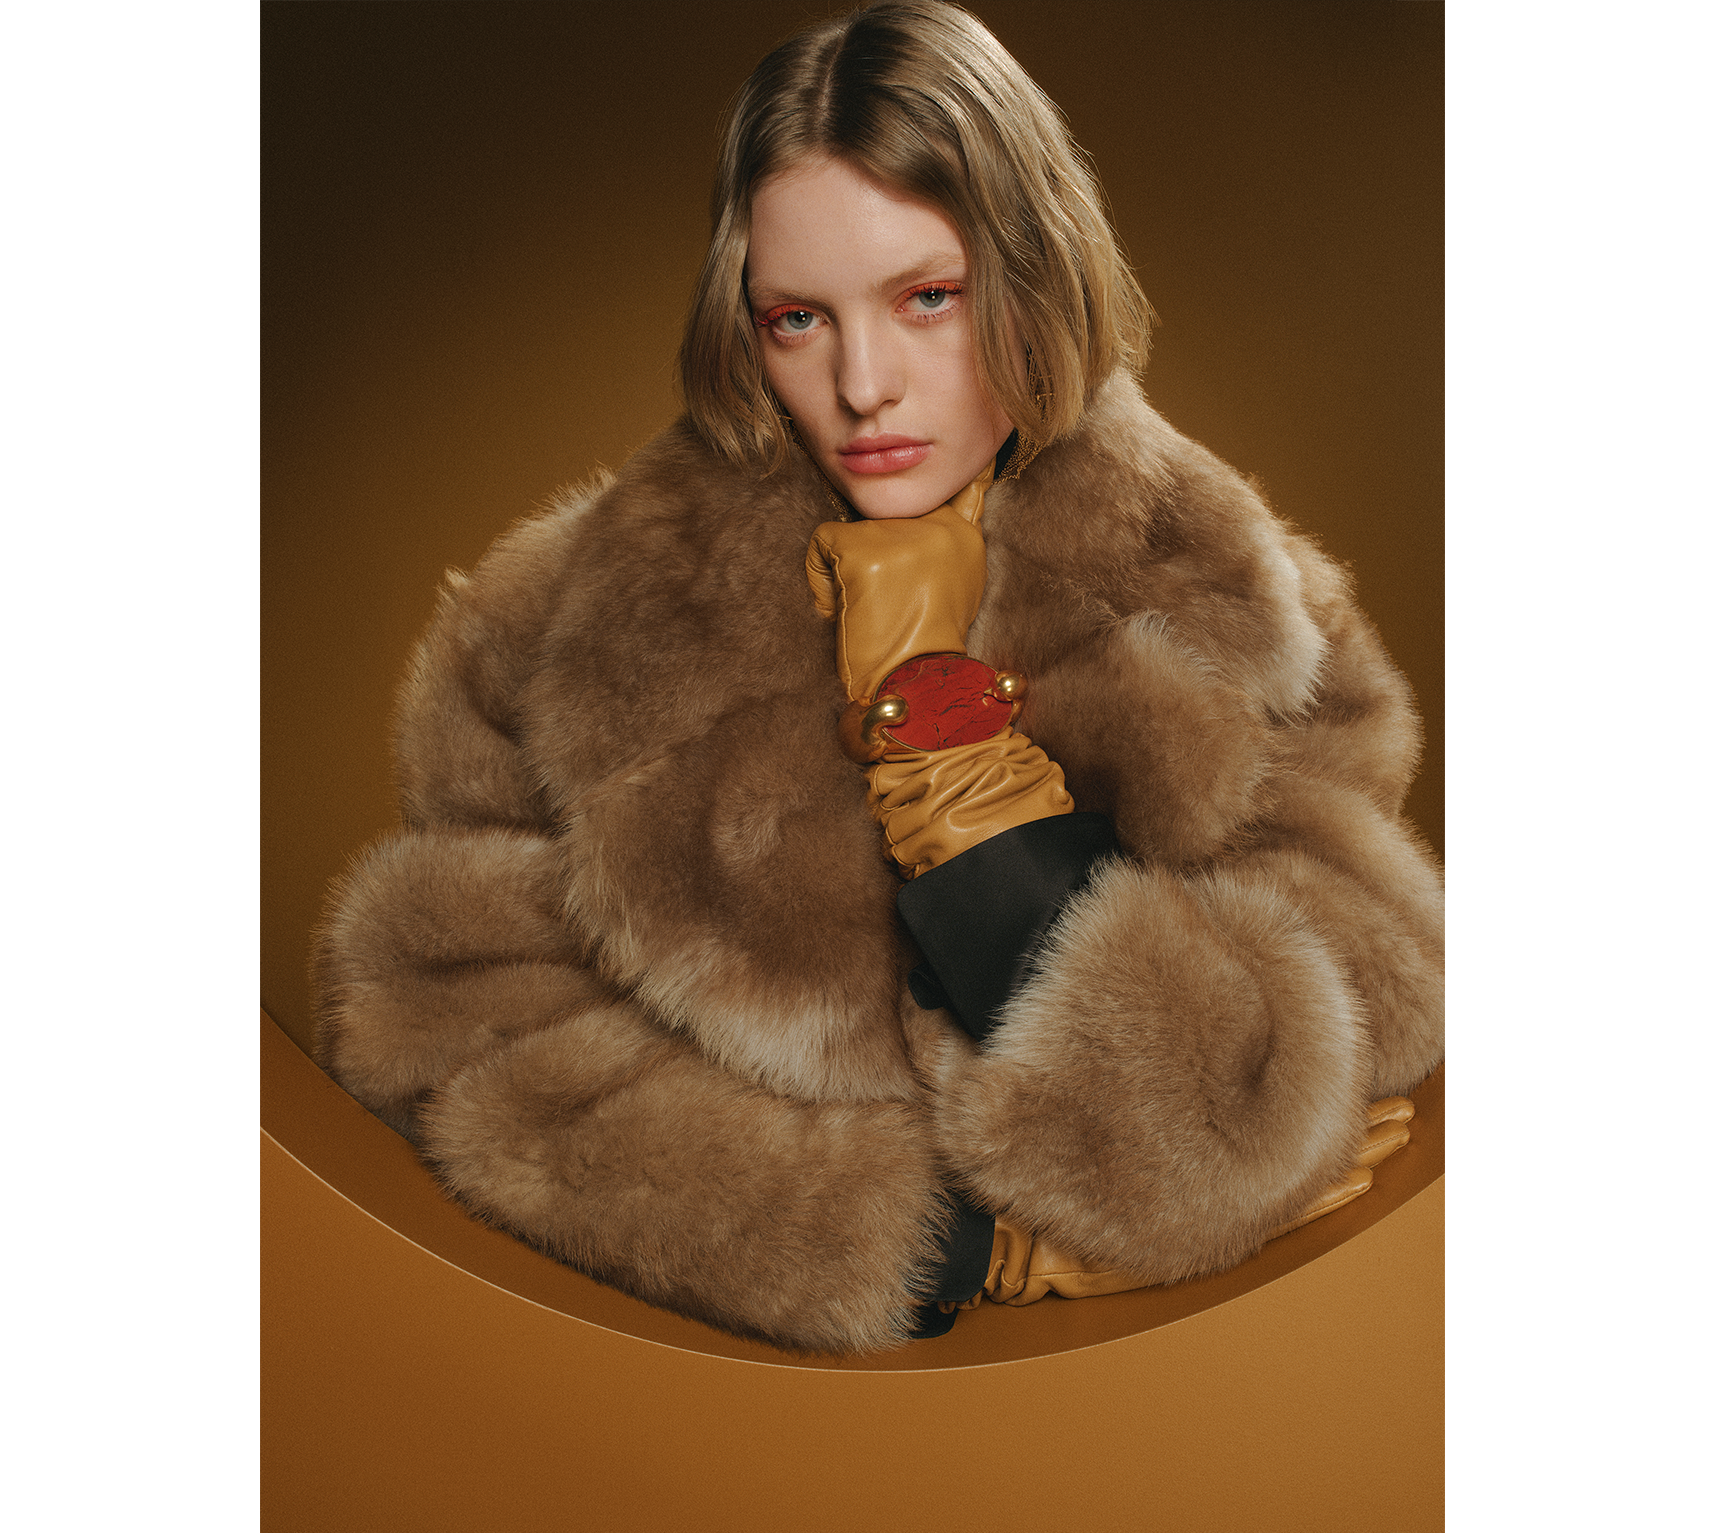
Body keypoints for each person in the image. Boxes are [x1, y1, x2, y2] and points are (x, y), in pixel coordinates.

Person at [308, 0, 1443, 1354]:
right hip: (704, 1429)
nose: (862, 385)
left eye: (926, 299)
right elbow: (435, 1023)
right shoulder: (555, 627)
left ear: (1035, 276)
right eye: (797, 318)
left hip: (1146, 1431)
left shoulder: (1235, 606)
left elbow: (1288, 1077)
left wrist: (942, 739)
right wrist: (955, 1240)